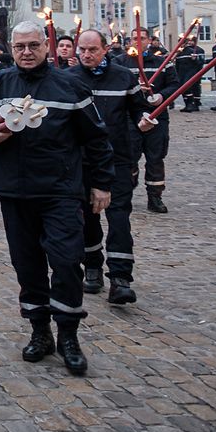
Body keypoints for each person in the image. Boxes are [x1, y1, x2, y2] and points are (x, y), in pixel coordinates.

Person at [0, 21, 115, 376]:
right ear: (11, 48)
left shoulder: (71, 86)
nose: (26, 52)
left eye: (33, 45)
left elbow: (96, 138)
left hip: (61, 191)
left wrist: (101, 184)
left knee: (66, 262)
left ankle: (69, 334)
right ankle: (39, 331)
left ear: (46, 47)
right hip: (15, 191)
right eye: (20, 46)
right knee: (27, 266)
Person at [69, 30, 156, 304]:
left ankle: (120, 278)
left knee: (118, 216)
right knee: (87, 216)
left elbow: (138, 109)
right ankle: (92, 267)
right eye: (82, 49)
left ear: (105, 49)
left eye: (93, 49)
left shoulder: (123, 77)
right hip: (81, 160)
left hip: (117, 158)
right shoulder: (69, 79)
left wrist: (144, 120)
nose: (87, 55)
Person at [122, 28, 178, 213]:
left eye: (142, 38)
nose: (137, 41)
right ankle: (126, 191)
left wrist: (161, 96)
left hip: (157, 116)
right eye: (134, 38)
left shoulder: (161, 62)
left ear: (149, 40)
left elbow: (174, 85)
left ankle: (155, 197)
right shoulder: (120, 63)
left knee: (155, 157)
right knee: (129, 157)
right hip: (130, 117)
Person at [174, 36, 205, 112]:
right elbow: (177, 65)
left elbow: (200, 63)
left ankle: (191, 104)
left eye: (183, 43)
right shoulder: (179, 53)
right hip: (181, 73)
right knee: (183, 89)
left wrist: (195, 59)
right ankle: (187, 104)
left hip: (190, 73)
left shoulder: (192, 51)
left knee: (187, 88)